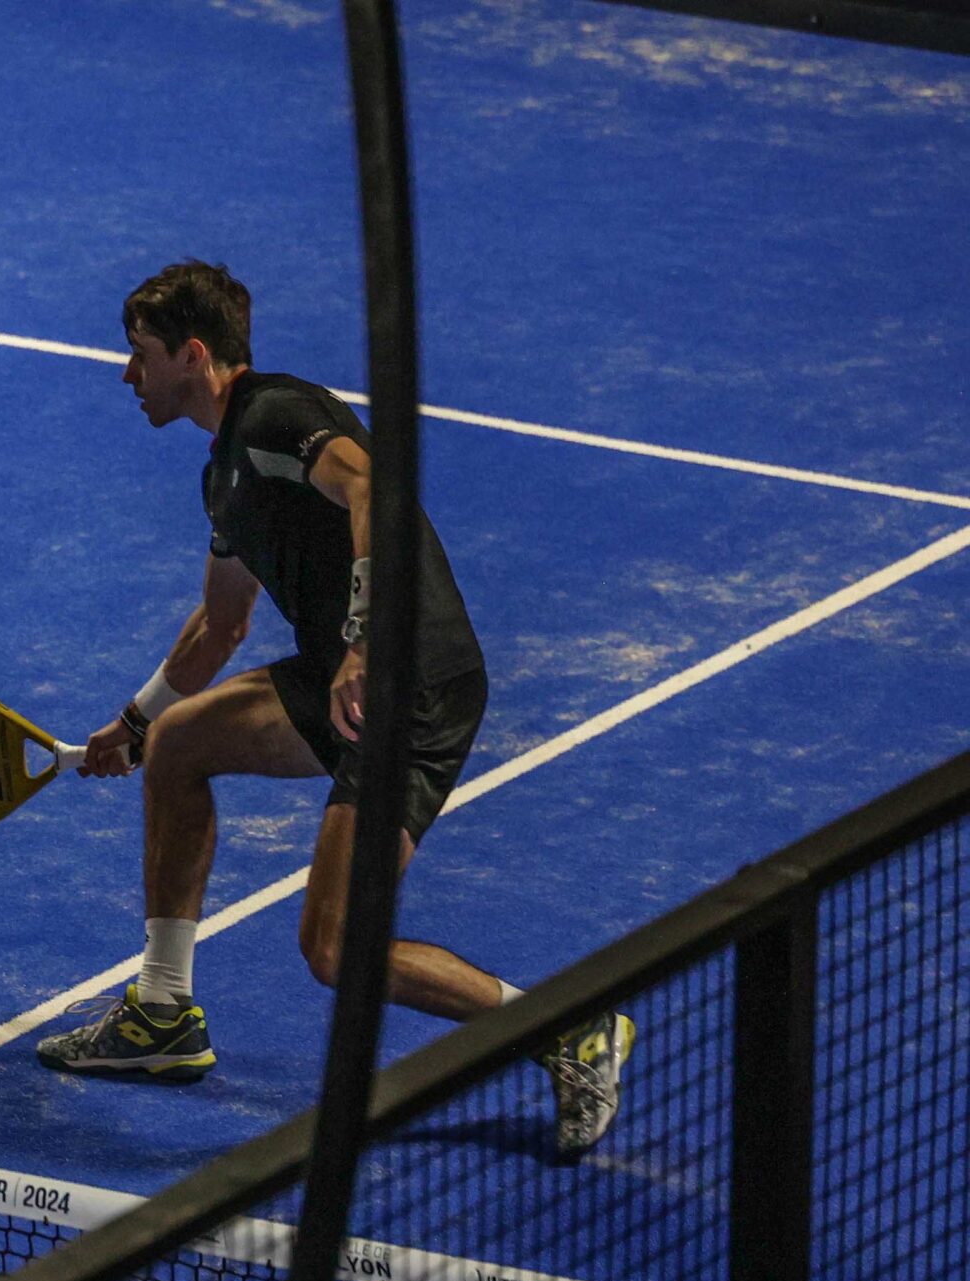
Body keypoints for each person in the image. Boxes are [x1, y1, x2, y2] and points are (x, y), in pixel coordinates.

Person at [34, 261, 634, 1162]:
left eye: (140, 354)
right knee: (180, 742)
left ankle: (569, 1025)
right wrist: (138, 718)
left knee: (336, 944)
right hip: (344, 681)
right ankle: (160, 1012)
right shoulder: (224, 476)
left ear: (192, 355)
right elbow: (221, 625)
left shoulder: (277, 416)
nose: (128, 374)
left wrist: (361, 640)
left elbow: (373, 490)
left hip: (412, 684)